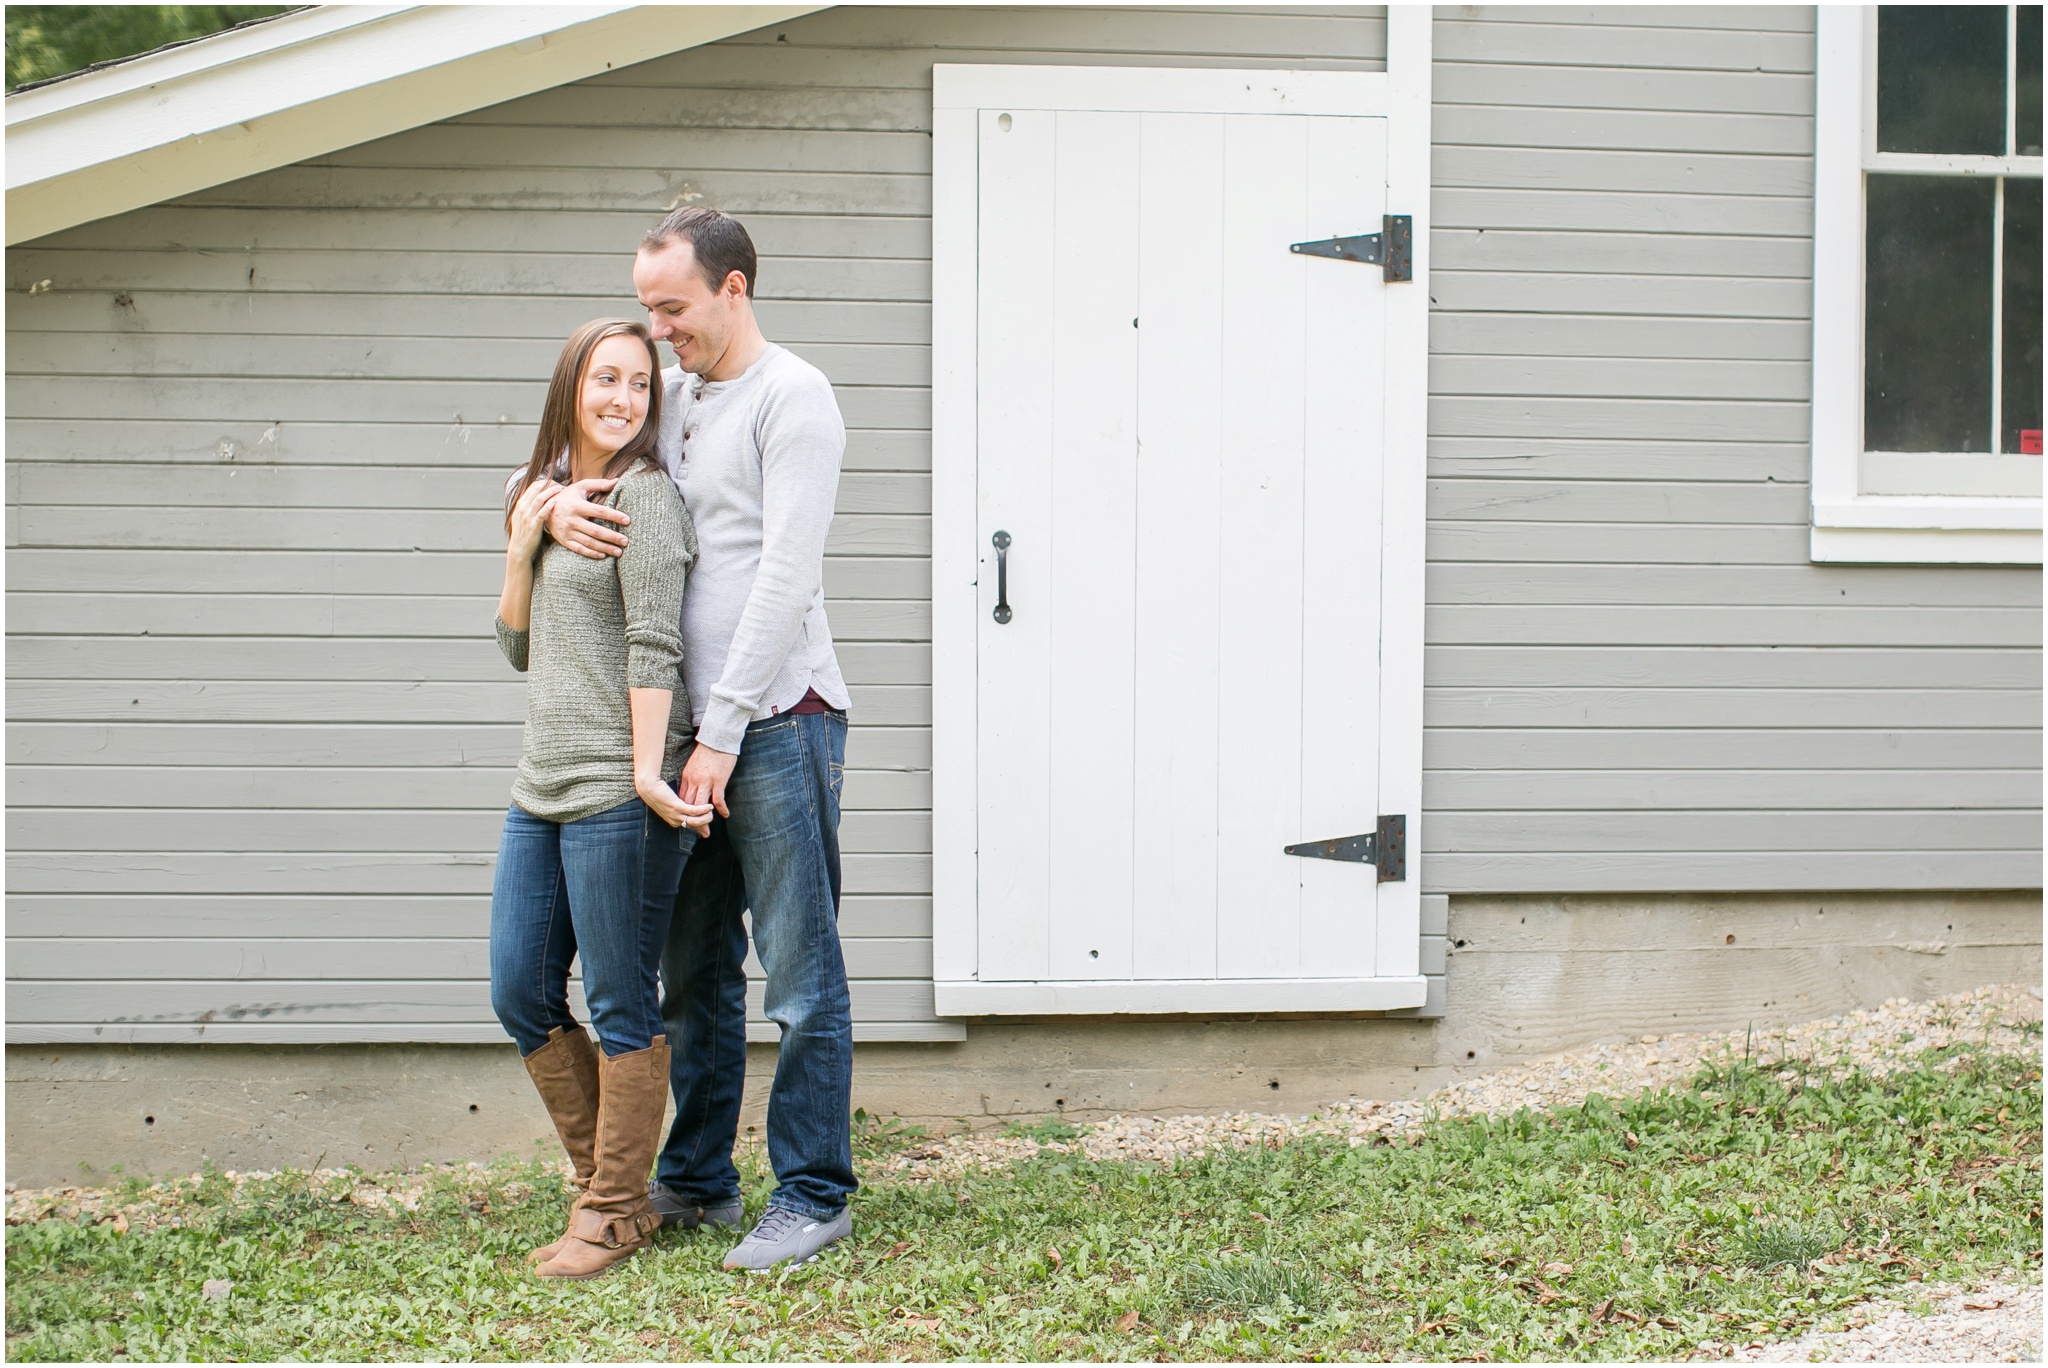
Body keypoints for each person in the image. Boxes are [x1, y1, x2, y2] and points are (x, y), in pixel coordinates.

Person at [543, 208, 857, 1270]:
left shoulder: (793, 398)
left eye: (671, 308)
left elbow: (783, 575)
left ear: (733, 288)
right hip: (686, 737)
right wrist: (541, 511)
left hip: (777, 725)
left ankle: (813, 1193)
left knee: (801, 972)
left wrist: (721, 731)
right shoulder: (671, 393)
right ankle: (699, 1180)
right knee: (693, 971)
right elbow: (561, 455)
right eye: (645, 308)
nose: (655, 330)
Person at [489, 317, 708, 1281]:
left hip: (617, 789)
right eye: (606, 379)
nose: (624, 398)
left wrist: (649, 773)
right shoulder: (534, 492)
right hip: (539, 783)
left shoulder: (647, 500)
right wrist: (522, 543)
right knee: (520, 990)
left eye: (641, 385)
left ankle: (614, 1213)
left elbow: (657, 645)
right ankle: (603, 1190)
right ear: (571, 383)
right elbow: (518, 648)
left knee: (623, 999)